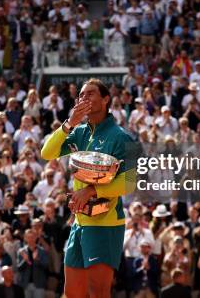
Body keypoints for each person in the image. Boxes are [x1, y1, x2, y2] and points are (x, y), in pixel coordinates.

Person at [41, 79, 136, 298]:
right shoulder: (78, 132)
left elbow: (131, 181)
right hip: (80, 222)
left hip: (105, 224)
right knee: (72, 293)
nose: (84, 98)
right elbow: (47, 153)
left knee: (98, 293)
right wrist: (68, 124)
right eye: (81, 95)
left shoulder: (121, 137)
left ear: (105, 100)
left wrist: (91, 191)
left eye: (91, 94)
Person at [16, 229, 49, 298]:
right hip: (25, 284)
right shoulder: (21, 251)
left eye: (32, 237)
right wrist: (25, 260)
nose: (30, 239)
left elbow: (46, 266)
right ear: (25, 238)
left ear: (36, 237)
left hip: (39, 284)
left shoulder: (42, 251)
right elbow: (19, 268)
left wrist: (37, 260)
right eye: (28, 237)